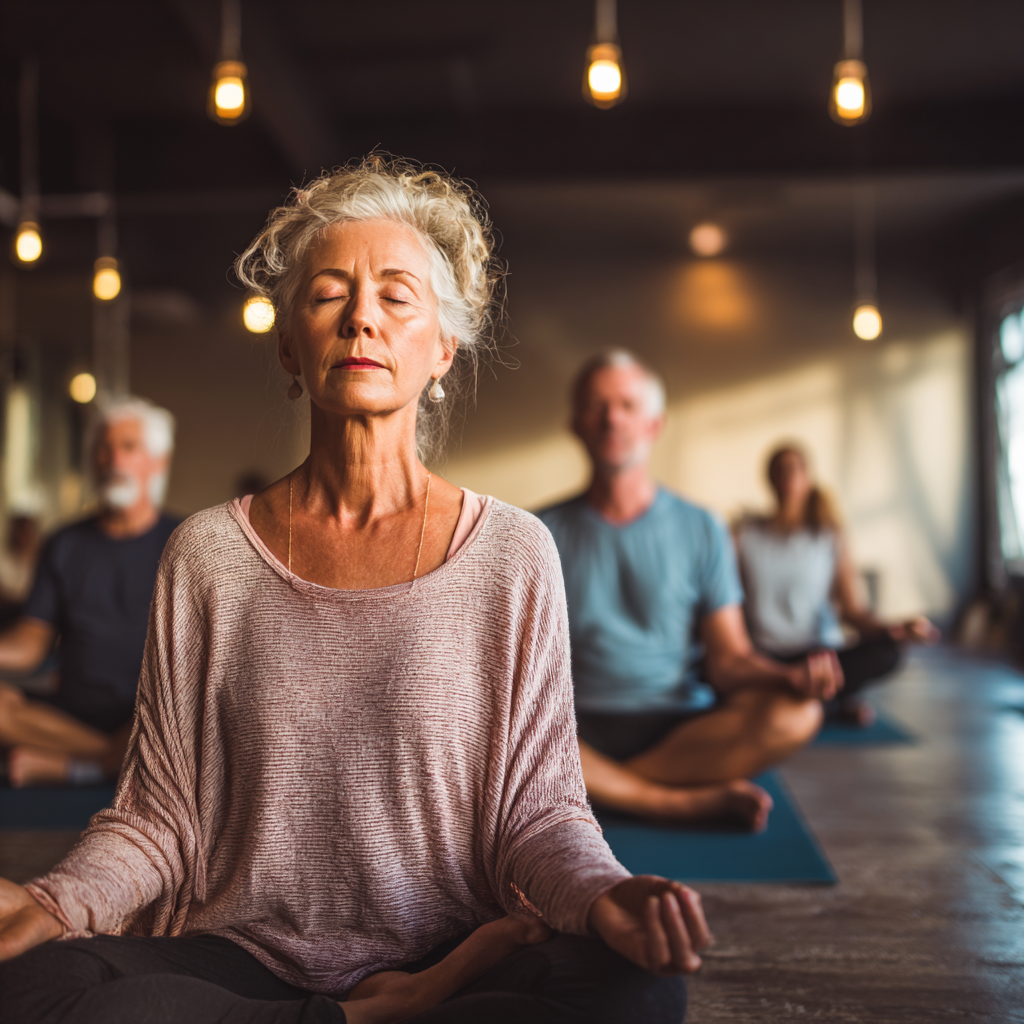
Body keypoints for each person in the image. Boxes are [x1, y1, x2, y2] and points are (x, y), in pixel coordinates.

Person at [0, 159, 708, 1024]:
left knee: (639, 994)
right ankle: (377, 1015)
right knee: (32, 985)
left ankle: (399, 999)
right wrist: (53, 902)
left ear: (441, 349)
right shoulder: (207, 554)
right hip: (244, 958)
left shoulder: (515, 554)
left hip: (460, 948)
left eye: (397, 296)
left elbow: (540, 813)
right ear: (291, 346)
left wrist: (605, 895)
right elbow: (157, 820)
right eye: (330, 293)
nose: (362, 316)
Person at [537, 350, 843, 832]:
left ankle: (604, 790)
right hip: (575, 730)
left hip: (682, 727)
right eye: (597, 405)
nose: (612, 417)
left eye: (627, 405)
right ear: (576, 423)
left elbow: (728, 660)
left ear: (654, 425)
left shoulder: (702, 527)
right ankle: (665, 801)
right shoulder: (537, 532)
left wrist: (784, 676)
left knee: (797, 715)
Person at [0, 397, 178, 787]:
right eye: (103, 447)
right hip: (72, 715)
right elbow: (31, 642)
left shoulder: (185, 542)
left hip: (155, 714)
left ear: (158, 461)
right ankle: (112, 762)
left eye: (128, 447)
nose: (113, 458)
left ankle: (80, 768)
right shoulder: (64, 543)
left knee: (192, 715)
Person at [734, 444, 939, 726]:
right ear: (769, 478)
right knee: (721, 665)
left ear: (809, 477)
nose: (789, 477)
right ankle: (822, 699)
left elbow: (852, 610)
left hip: (818, 655)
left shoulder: (828, 536)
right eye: (780, 470)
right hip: (766, 656)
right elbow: (726, 604)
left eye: (796, 469)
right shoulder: (745, 535)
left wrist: (893, 629)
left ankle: (801, 694)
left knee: (887, 651)